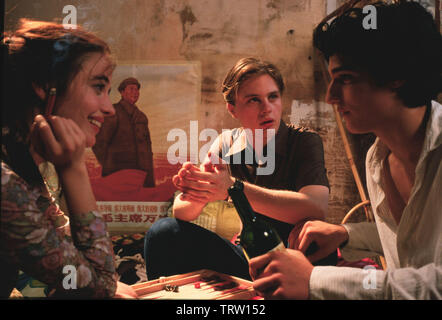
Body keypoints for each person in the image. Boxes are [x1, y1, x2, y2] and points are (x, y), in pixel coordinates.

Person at [249, 1, 442, 299]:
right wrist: (346, 233)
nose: (330, 96)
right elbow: (414, 242)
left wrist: (315, 281)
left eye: (346, 79)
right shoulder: (378, 159)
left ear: (397, 74)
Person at [144, 57, 336, 281]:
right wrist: (195, 187)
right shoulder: (226, 142)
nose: (267, 108)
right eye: (254, 100)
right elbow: (182, 212)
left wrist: (232, 188)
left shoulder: (304, 141)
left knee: (320, 248)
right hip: (248, 257)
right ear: (233, 109)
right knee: (163, 232)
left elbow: (315, 207)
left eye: (272, 97)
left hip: (298, 257)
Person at [1, 20, 137, 299]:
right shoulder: (5, 184)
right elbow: (98, 284)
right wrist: (73, 168)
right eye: (98, 87)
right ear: (45, 85)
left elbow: (68, 254)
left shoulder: (18, 160)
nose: (109, 109)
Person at [93, 77, 155, 188]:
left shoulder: (141, 117)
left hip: (141, 177)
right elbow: (99, 143)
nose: (135, 93)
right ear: (122, 92)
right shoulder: (113, 112)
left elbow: (147, 151)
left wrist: (149, 181)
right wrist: (109, 166)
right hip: (117, 177)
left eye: (137, 90)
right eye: (131, 89)